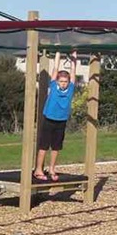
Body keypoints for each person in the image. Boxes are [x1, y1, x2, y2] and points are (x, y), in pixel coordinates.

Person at [35, 51, 78, 182]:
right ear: (57, 81)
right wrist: (58, 54)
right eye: (61, 81)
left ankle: (52, 168)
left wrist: (74, 57)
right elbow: (55, 69)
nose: (63, 83)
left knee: (56, 147)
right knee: (43, 145)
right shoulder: (53, 86)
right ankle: (38, 169)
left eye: (65, 81)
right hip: (49, 119)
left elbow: (73, 71)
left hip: (61, 121)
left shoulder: (70, 88)